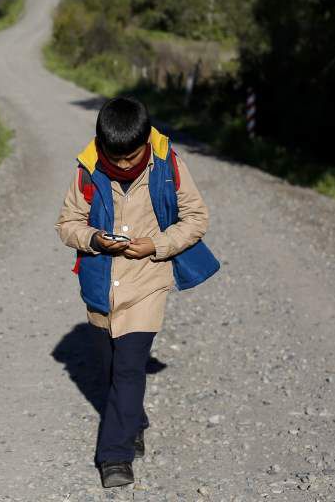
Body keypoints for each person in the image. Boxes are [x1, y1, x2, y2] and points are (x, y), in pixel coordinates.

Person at [55, 96, 219, 488]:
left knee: (129, 369)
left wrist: (158, 245)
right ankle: (134, 420)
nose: (126, 165)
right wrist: (94, 238)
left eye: (133, 157)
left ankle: (115, 456)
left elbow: (197, 218)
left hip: (148, 283)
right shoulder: (87, 170)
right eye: (118, 158)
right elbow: (67, 224)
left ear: (147, 141)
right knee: (111, 370)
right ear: (102, 144)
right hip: (99, 284)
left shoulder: (169, 165)